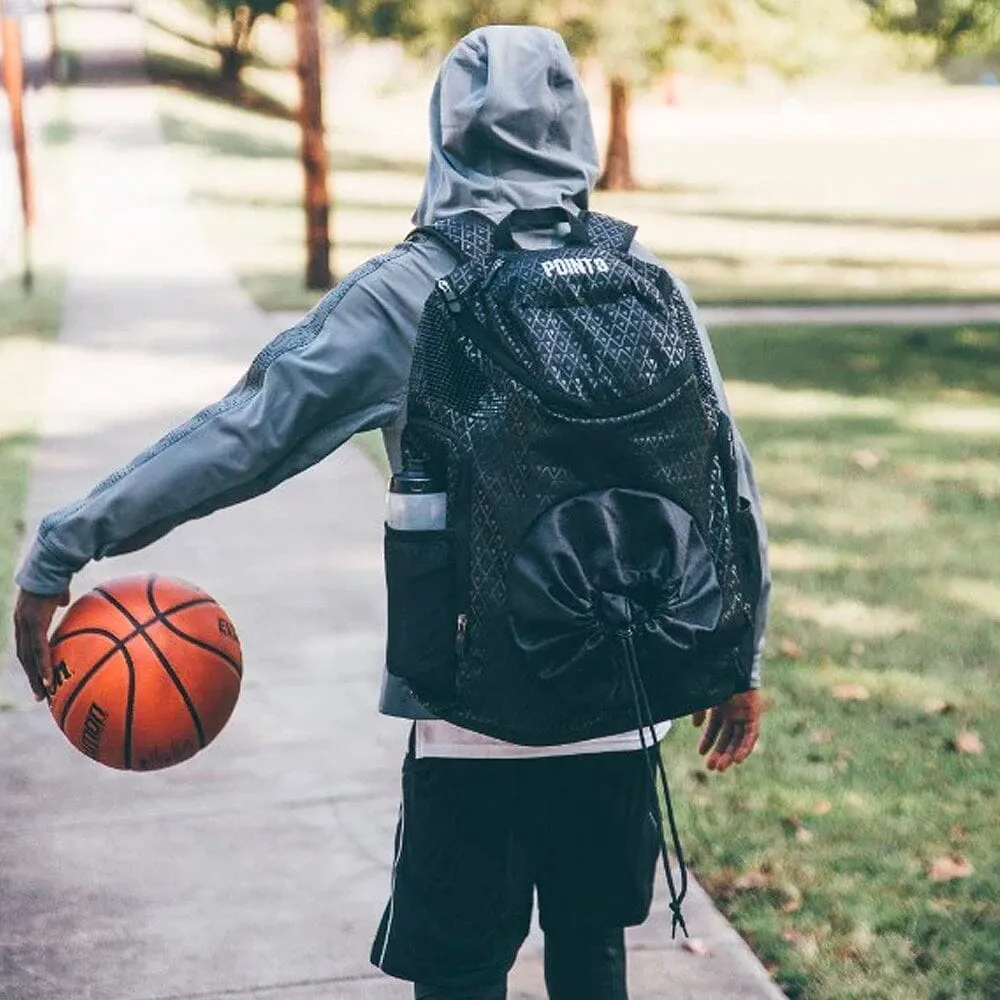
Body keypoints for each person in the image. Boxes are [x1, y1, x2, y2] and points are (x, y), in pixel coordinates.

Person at [13, 24, 770, 1000]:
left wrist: (63, 546)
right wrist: (736, 655)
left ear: (445, 131)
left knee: (459, 970)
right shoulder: (648, 277)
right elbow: (726, 471)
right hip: (621, 712)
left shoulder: (410, 291)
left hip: (474, 726)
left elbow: (242, 438)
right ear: (575, 125)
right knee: (593, 951)